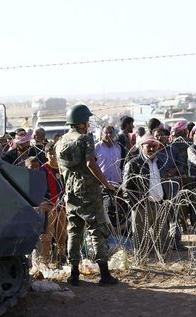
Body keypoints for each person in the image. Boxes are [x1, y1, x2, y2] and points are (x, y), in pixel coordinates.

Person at [56, 104, 118, 286]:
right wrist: (106, 184)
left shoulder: (61, 141)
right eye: (87, 120)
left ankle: (74, 274)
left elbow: (60, 169)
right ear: (81, 122)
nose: (88, 123)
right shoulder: (85, 139)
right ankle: (105, 275)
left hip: (71, 192)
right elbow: (91, 163)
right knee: (96, 229)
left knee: (74, 231)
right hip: (88, 191)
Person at [122, 134, 172, 258]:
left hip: (159, 203)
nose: (151, 149)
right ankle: (141, 260)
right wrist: (135, 205)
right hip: (141, 205)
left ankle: (162, 259)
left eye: (154, 146)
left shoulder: (161, 162)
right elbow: (126, 188)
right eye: (148, 146)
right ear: (141, 146)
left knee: (162, 234)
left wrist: (166, 199)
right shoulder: (134, 164)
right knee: (140, 236)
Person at [39, 142, 67, 265]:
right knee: (47, 235)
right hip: (49, 207)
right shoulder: (43, 170)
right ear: (46, 155)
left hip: (62, 207)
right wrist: (45, 202)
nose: (53, 156)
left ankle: (61, 258)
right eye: (50, 154)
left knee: (62, 234)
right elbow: (38, 190)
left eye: (54, 153)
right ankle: (45, 260)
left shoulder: (62, 168)